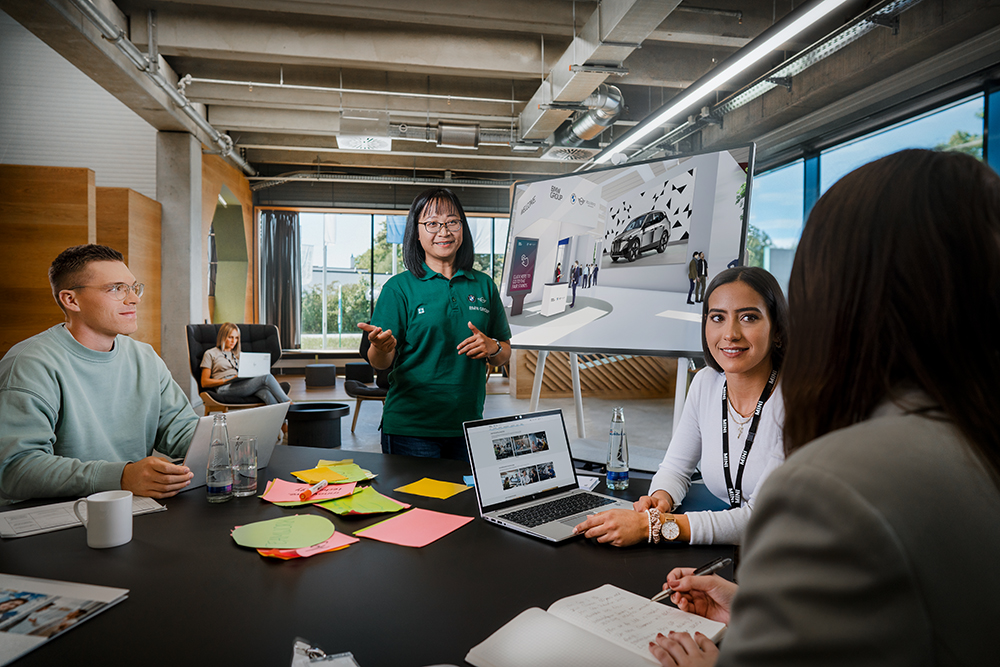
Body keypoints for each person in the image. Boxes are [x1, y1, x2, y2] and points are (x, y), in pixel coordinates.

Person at [649, 149, 1000, 666]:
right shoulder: (974, 437)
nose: (730, 333)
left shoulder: (833, 487)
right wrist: (754, 607)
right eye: (717, 318)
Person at [574, 266, 787, 546]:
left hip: (804, 558)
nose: (730, 333)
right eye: (718, 318)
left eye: (748, 317)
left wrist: (651, 526)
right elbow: (675, 468)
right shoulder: (706, 384)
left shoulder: (799, 401)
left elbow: (759, 520)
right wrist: (661, 498)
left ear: (777, 331)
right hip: (749, 552)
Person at [0, 244, 198, 503]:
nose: (134, 299)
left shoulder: (145, 357)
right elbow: (16, 468)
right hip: (56, 515)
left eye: (133, 288)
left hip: (128, 507)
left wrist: (224, 445)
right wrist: (121, 476)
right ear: (71, 300)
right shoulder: (29, 364)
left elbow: (180, 429)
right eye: (116, 289)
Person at [358, 187, 511, 460]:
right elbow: (379, 363)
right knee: (417, 504)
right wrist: (382, 347)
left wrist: (492, 346)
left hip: (468, 427)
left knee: (465, 504)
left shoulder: (484, 285)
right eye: (432, 223)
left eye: (452, 221)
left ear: (462, 228)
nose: (444, 231)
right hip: (411, 429)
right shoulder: (399, 288)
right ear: (416, 232)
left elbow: (504, 354)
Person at [199, 322, 291, 405]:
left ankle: (280, 422)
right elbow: (204, 382)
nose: (233, 341)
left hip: (241, 383)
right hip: (224, 388)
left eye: (236, 338)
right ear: (223, 337)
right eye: (230, 337)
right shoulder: (210, 353)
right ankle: (289, 404)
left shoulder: (239, 354)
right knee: (267, 377)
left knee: (266, 392)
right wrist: (226, 380)